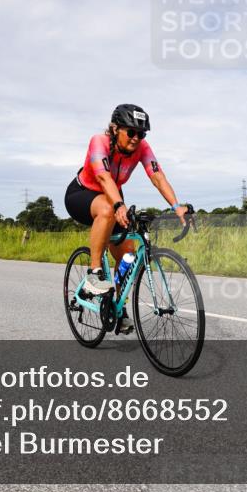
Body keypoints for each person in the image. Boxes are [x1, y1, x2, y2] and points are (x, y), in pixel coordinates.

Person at [64, 104, 187, 333]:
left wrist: (176, 206)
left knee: (128, 256)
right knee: (108, 210)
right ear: (114, 128)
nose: (136, 138)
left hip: (113, 195)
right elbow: (103, 178)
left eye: (141, 134)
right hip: (83, 193)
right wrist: (118, 204)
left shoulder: (142, 147)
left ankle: (118, 310)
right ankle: (94, 273)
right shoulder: (99, 141)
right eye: (131, 132)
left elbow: (157, 176)